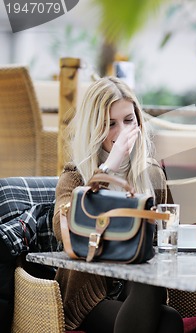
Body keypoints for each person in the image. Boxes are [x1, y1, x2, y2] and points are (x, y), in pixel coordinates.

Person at [52, 77, 183, 333]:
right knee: (166, 321)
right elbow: (64, 230)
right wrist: (109, 167)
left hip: (140, 287)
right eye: (110, 124)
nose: (122, 131)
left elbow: (169, 233)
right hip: (91, 296)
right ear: (94, 127)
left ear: (139, 123)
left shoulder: (152, 173)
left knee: (169, 316)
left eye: (128, 121)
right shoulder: (75, 176)